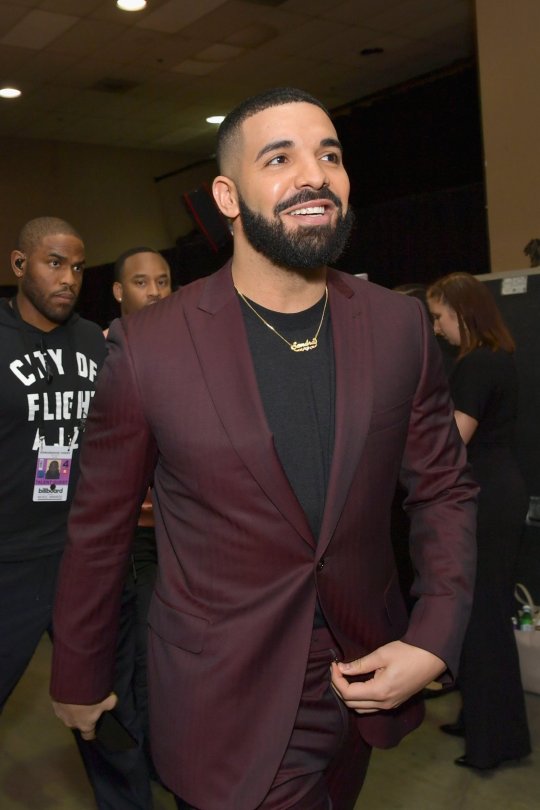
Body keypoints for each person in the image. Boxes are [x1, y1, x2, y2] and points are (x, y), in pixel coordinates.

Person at [50, 88, 477, 810]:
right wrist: (80, 672)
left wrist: (434, 634)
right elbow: (101, 528)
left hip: (364, 679)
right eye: (280, 158)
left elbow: (442, 489)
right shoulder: (150, 347)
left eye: (330, 155)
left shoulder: (398, 326)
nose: (314, 175)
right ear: (227, 195)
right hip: (225, 697)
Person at [78, 247, 173, 810]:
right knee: (136, 659)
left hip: (181, 532)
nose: (156, 291)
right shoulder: (103, 352)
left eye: (163, 280)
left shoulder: (187, 345)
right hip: (129, 536)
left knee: (166, 656)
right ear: (119, 291)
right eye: (142, 282)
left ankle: (167, 759)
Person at [0, 216, 106, 713]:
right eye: (55, 263)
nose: (69, 278)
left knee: (104, 701)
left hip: (82, 552)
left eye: (79, 268)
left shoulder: (95, 342)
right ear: (20, 264)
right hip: (12, 558)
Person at [427, 271, 531, 770]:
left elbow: (452, 442)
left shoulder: (475, 366)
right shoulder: (495, 359)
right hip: (498, 492)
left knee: (483, 620)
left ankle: (494, 742)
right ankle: (482, 723)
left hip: (485, 499)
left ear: (461, 314)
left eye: (440, 317)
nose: (437, 328)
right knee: (479, 616)